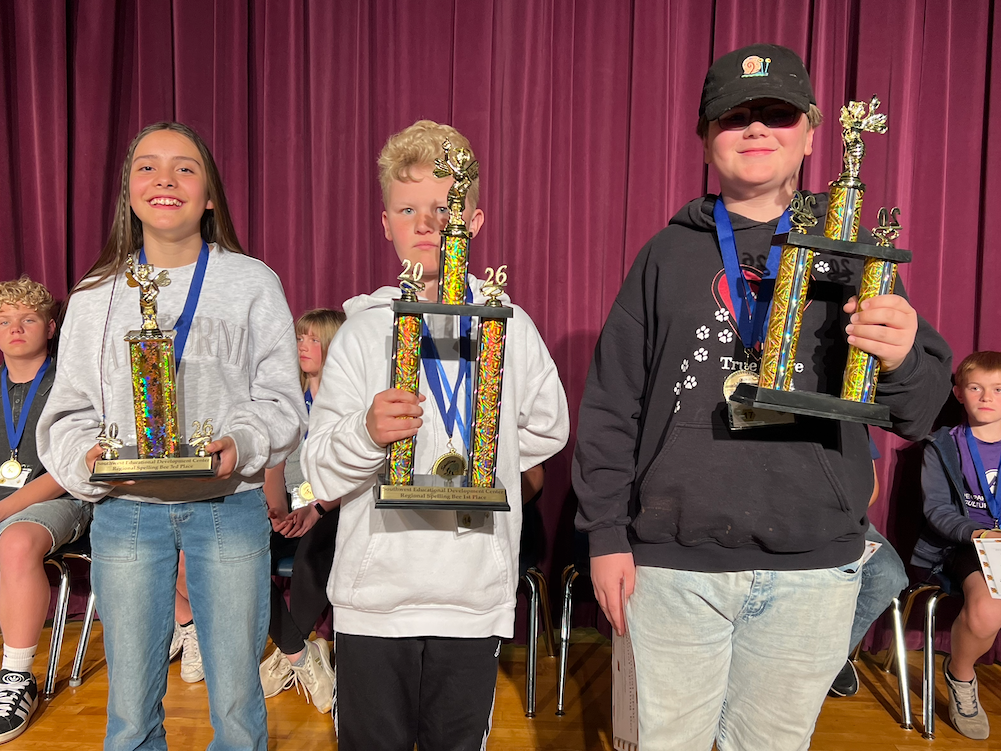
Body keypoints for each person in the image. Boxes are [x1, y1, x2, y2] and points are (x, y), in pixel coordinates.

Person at [572, 43, 952, 750]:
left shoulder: (852, 249)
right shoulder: (664, 254)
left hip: (813, 567)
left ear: (809, 131)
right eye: (733, 116)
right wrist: (603, 534)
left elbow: (917, 407)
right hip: (672, 563)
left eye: (774, 114)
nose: (754, 129)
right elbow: (610, 403)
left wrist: (902, 355)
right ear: (704, 138)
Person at [36, 121, 307, 751]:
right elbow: (68, 409)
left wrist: (241, 441)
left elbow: (281, 402)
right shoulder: (94, 294)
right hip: (127, 511)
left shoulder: (252, 282)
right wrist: (86, 456)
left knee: (238, 703)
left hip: (228, 510)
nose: (165, 179)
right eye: (147, 167)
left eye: (185, 167)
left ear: (210, 194)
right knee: (130, 710)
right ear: (129, 192)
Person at [300, 119, 569, 751]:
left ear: (474, 222)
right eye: (408, 209)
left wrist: (483, 459)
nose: (428, 223)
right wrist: (368, 434)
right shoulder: (362, 334)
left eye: (446, 208)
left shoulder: (511, 326)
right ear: (385, 223)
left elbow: (548, 429)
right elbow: (318, 471)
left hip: (472, 596)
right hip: (375, 600)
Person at [0, 277, 91, 743]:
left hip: (60, 500)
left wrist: (5, 510)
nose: (15, 328)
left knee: (15, 541)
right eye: (4, 320)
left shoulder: (67, 385)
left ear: (51, 327)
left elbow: (68, 471)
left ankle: (17, 678)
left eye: (28, 319)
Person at [911, 351, 1001, 740]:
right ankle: (961, 676)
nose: (986, 397)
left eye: (998, 389)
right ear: (959, 393)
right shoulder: (943, 445)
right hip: (966, 543)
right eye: (976, 388)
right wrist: (977, 534)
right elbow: (936, 510)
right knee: (987, 611)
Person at [259, 308, 345, 713]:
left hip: (333, 507)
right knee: (244, 554)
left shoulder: (349, 400)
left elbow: (362, 472)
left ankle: (287, 652)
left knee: (315, 547)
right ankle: (300, 654)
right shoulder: (287, 399)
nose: (301, 346)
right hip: (290, 505)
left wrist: (316, 508)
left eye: (312, 339)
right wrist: (274, 510)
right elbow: (272, 463)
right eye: (299, 338)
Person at [828, 439, 909, 698]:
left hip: (847, 519)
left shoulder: (849, 415)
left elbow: (871, 489)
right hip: (789, 520)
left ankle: (834, 657)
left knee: (889, 575)